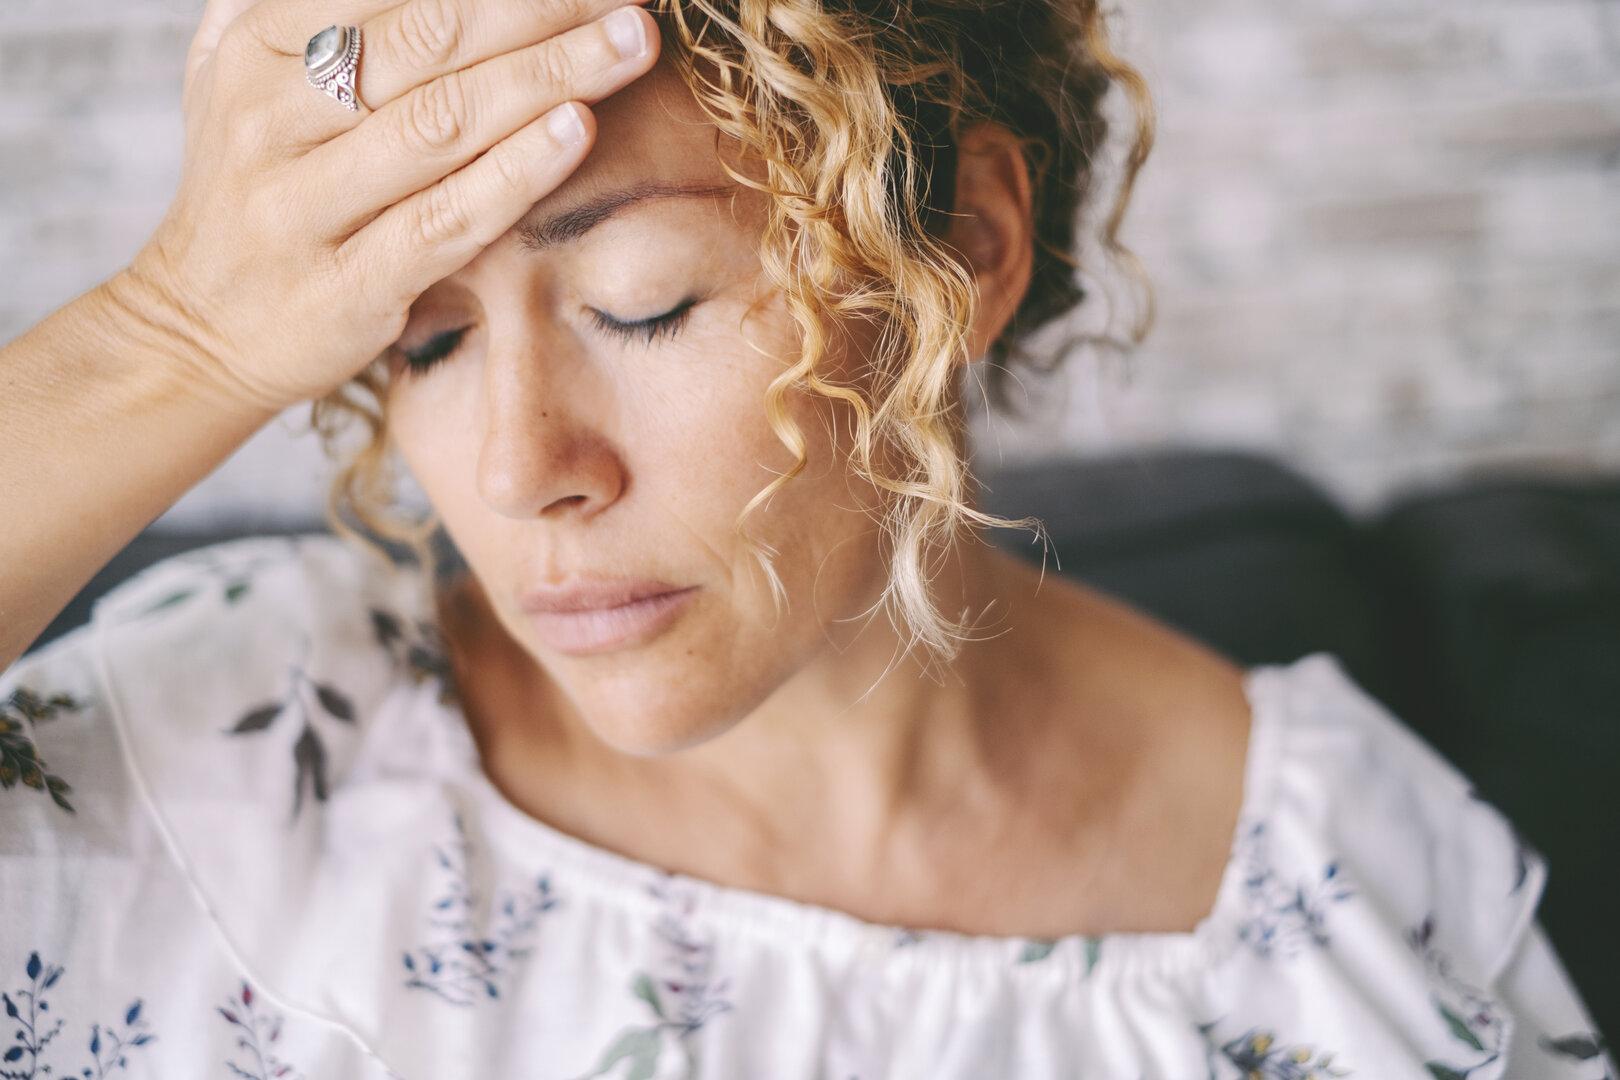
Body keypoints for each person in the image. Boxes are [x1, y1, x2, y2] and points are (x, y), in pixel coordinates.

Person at [0, 0, 1609, 1075]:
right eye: (422, 343)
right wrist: (169, 339)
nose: (517, 469)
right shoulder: (217, 761)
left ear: (961, 249)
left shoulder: (1355, 909)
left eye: (645, 304)